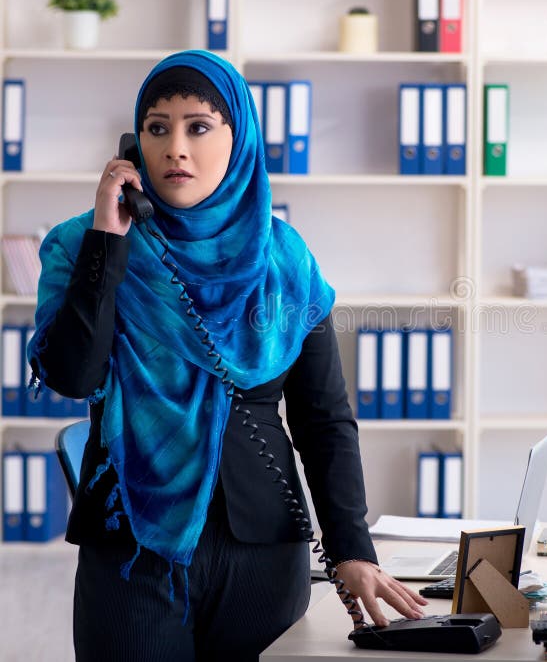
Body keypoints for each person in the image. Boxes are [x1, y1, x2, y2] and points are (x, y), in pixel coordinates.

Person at [28, 49, 426, 662]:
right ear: (135, 143)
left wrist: (351, 550)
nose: (175, 148)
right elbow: (71, 375)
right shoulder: (80, 245)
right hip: (131, 548)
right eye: (157, 128)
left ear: (238, 139)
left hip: (261, 548)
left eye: (199, 126)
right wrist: (109, 242)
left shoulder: (283, 261)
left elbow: (324, 419)